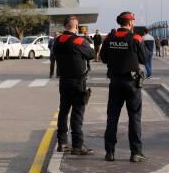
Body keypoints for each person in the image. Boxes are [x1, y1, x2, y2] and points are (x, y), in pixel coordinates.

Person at [100, 12, 148, 162]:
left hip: (115, 82)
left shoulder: (109, 37)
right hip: (132, 83)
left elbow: (103, 58)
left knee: (112, 118)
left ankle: (109, 152)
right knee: (134, 117)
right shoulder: (135, 38)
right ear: (130, 22)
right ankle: (135, 153)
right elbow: (144, 58)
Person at [53, 15, 95, 155]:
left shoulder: (57, 40)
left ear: (65, 26)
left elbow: (54, 53)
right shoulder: (78, 40)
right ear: (76, 27)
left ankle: (62, 143)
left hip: (63, 81)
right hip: (78, 82)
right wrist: (87, 40)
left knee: (63, 112)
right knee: (77, 113)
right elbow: (91, 54)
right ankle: (77, 145)